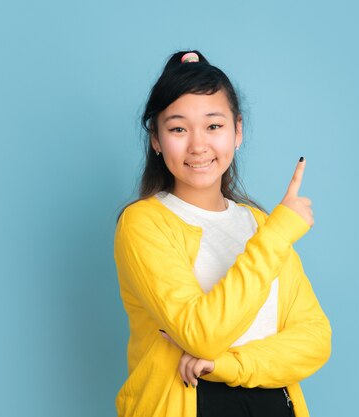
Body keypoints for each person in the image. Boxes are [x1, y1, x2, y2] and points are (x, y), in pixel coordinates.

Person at [114, 50, 331, 417]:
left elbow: (314, 340)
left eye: (213, 126)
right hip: (191, 403)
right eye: (178, 128)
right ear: (156, 138)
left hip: (272, 404)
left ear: (237, 131)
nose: (198, 145)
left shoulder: (260, 224)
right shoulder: (144, 223)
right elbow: (202, 334)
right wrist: (279, 234)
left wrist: (227, 365)